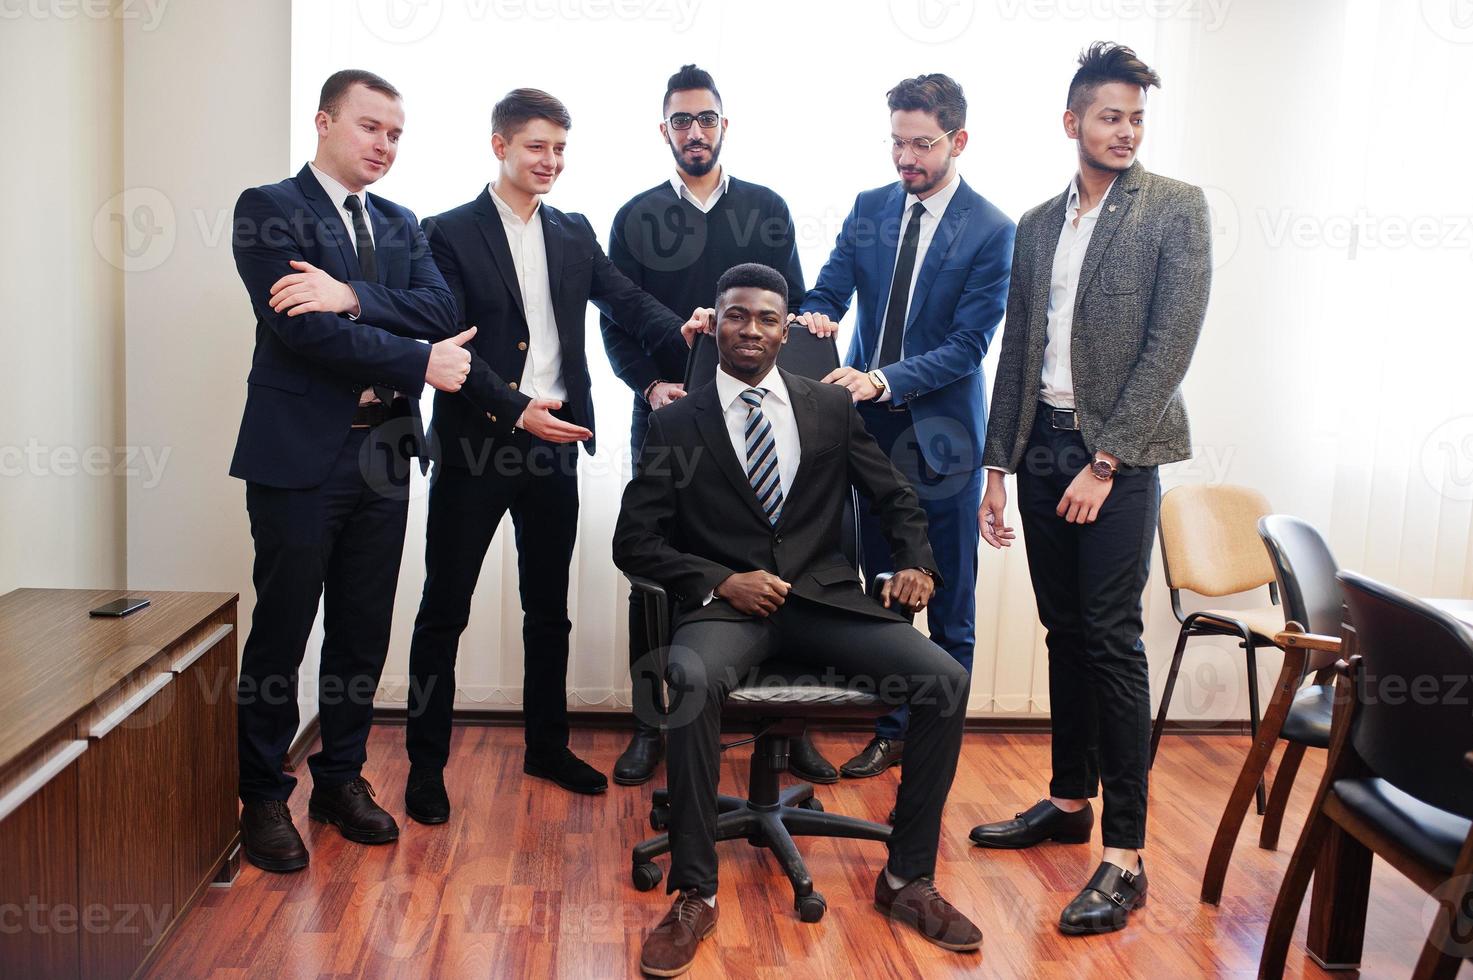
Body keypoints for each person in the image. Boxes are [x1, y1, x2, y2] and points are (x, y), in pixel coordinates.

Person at [615, 263, 981, 977]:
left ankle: (907, 879)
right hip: (729, 610)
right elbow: (635, 543)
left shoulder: (828, 409)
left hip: (823, 603)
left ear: (786, 329)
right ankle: (695, 891)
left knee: (943, 680)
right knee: (688, 679)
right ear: (713, 322)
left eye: (766, 318)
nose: (750, 329)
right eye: (735, 315)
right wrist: (721, 578)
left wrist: (916, 563)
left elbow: (895, 498)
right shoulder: (674, 421)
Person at [968, 42, 1212, 936]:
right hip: (1037, 448)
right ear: (1072, 122)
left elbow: (1169, 346)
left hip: (1121, 459)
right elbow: (1017, 350)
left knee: (1112, 641)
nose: (1125, 132)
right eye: (1110, 116)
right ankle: (1068, 799)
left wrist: (1104, 464)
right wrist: (995, 468)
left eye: (1136, 118)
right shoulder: (1037, 224)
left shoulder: (1175, 210)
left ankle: (1125, 855)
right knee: (1061, 630)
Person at [403, 88, 690, 821]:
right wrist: (512, 408)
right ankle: (425, 765)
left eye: (560, 148)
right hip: (478, 442)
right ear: (499, 145)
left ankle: (546, 745)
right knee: (444, 611)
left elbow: (625, 299)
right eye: (537, 146)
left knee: (547, 611)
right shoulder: (447, 233)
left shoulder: (572, 231)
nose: (550, 161)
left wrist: (689, 328)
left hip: (555, 443)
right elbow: (450, 352)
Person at [229, 69, 469, 872]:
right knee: (283, 631)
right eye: (371, 127)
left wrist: (350, 295)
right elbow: (305, 334)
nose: (384, 145)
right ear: (326, 122)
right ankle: (262, 796)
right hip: (300, 456)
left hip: (384, 452)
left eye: (396, 134)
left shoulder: (403, 223)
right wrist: (411, 353)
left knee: (361, 630)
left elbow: (441, 311)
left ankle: (340, 780)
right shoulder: (268, 208)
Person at [600, 63, 822, 787]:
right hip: (670, 419)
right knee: (651, 571)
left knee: (785, 560)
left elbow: (787, 311)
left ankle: (789, 733)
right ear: (662, 130)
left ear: (724, 125)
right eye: (680, 121)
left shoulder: (766, 206)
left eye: (705, 119)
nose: (693, 132)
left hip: (762, 420)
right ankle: (649, 725)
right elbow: (614, 321)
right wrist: (651, 384)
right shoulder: (634, 215)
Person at [795, 74, 1015, 780]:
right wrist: (816, 314)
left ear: (958, 140)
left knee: (947, 599)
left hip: (943, 441)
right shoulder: (868, 210)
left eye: (921, 144)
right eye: (896, 141)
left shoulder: (992, 230)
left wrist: (883, 378)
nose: (905, 158)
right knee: (883, 589)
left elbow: (967, 347)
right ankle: (890, 730)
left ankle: (934, 744)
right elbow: (827, 289)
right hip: (866, 435)